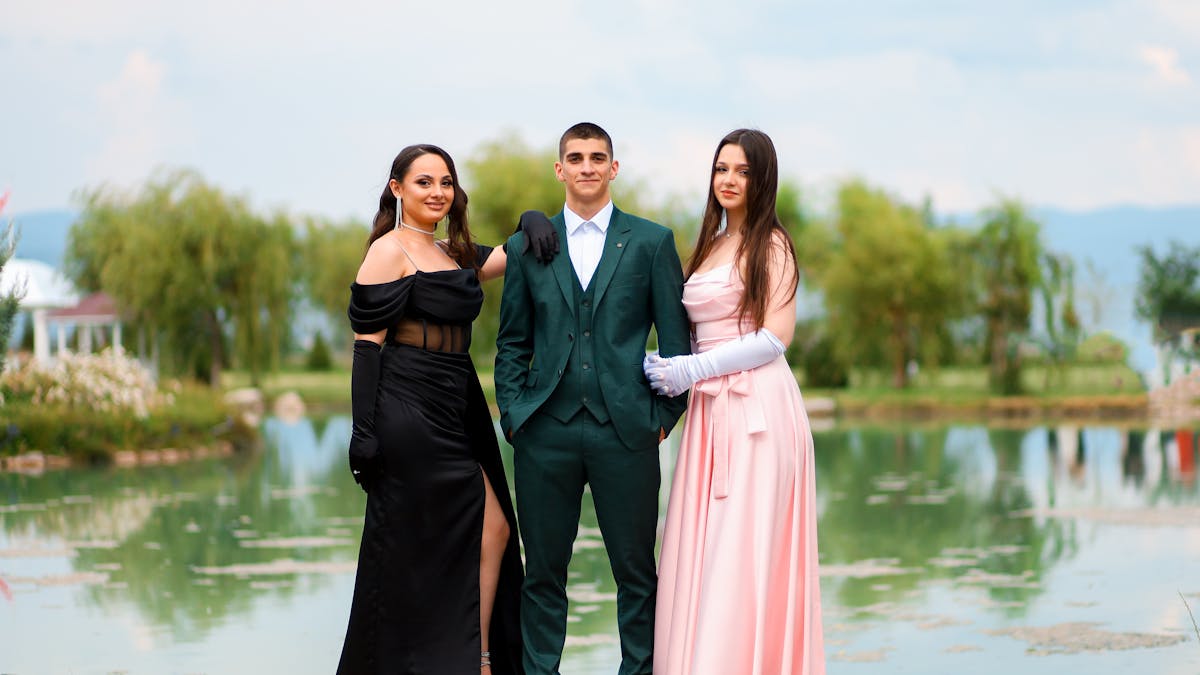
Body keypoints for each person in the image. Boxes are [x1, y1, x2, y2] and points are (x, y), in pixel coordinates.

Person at [339, 143, 557, 674]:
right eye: (424, 182)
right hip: (405, 404)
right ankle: (443, 659)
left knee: (493, 529)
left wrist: (533, 220)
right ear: (397, 189)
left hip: (455, 401)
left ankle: (475, 657)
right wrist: (363, 433)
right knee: (436, 531)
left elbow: (512, 255)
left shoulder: (454, 253)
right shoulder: (389, 250)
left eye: (446, 183)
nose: (438, 193)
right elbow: (367, 348)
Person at [494, 122, 691, 675]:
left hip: (627, 431)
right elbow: (511, 341)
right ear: (560, 169)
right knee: (542, 574)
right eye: (575, 158)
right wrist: (514, 416)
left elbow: (677, 345)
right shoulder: (527, 247)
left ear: (614, 168)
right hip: (543, 432)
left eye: (597, 157)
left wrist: (662, 418)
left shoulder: (652, 242)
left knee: (635, 573)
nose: (586, 167)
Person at [643, 129, 825, 674]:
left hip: (758, 414)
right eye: (722, 168)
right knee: (703, 547)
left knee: (742, 547)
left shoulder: (774, 245)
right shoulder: (711, 243)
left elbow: (775, 336)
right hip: (708, 415)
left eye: (742, 171)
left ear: (762, 178)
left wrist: (691, 370)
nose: (729, 180)